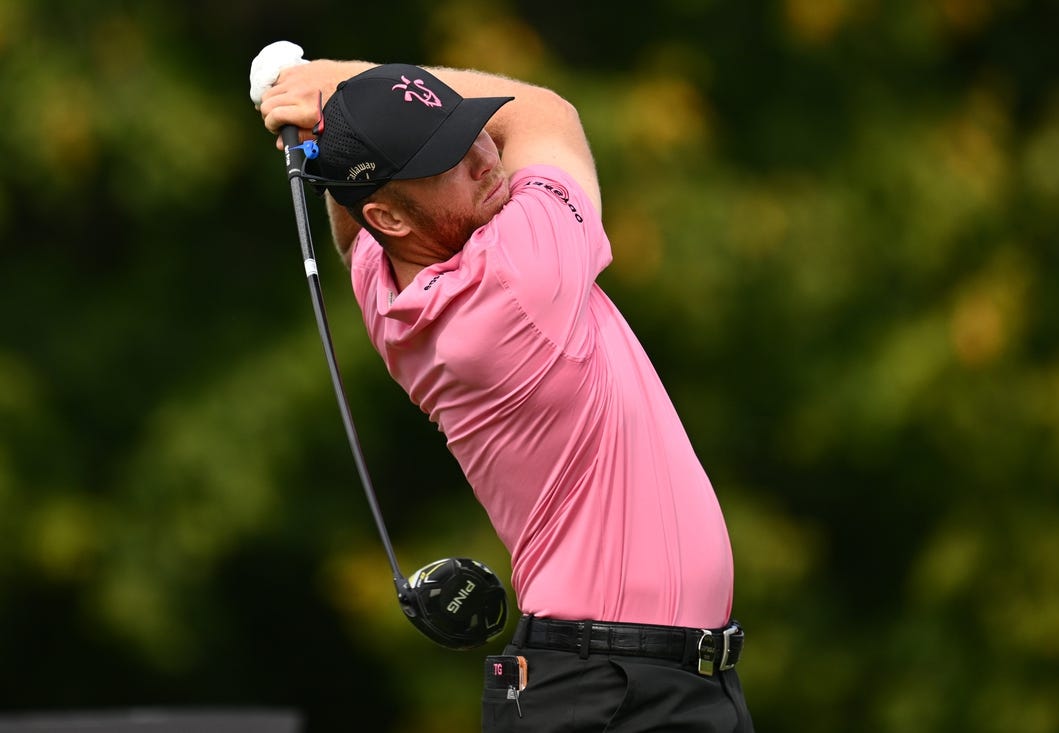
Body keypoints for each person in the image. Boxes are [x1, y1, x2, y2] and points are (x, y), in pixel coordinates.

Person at [258, 57, 754, 733]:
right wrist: (343, 76)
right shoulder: (518, 279)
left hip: (620, 682)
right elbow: (547, 114)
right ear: (391, 215)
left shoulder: (389, 291)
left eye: (470, 132)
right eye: (446, 160)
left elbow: (353, 232)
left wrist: (333, 116)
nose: (484, 157)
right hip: (615, 691)